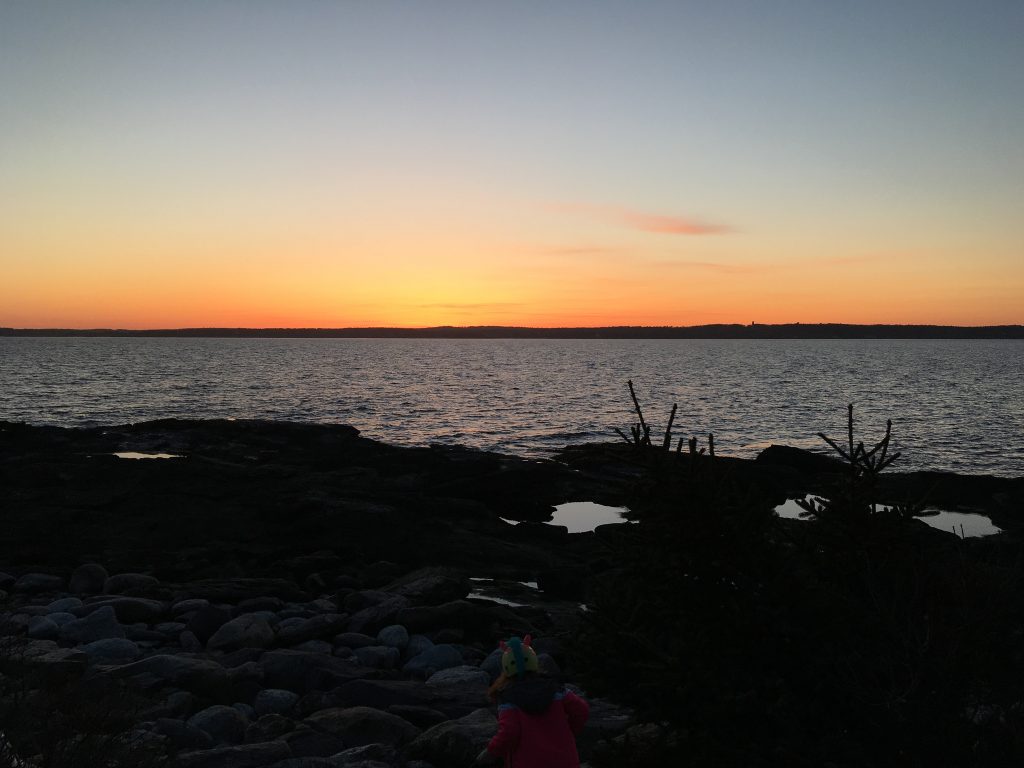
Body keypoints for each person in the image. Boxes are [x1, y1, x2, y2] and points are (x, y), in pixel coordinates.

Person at [475, 635, 589, 768]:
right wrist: (569, 732)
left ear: (506, 668)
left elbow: (509, 732)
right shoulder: (555, 689)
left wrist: (491, 752)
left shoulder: (508, 698)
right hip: (565, 761)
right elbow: (582, 710)